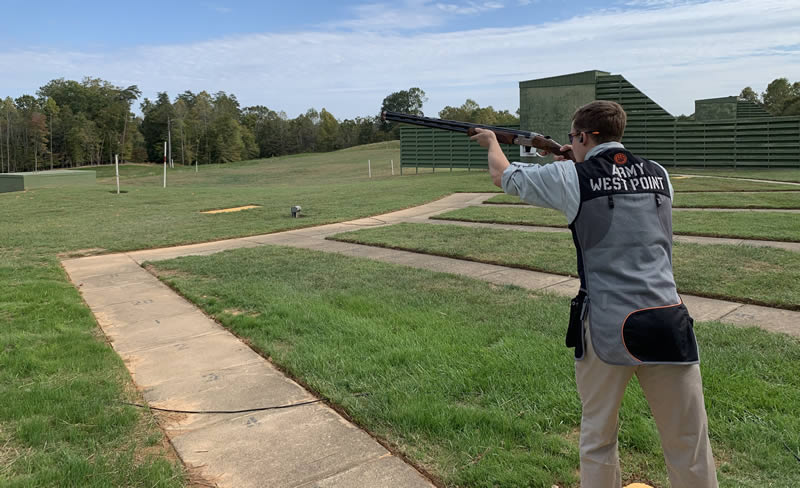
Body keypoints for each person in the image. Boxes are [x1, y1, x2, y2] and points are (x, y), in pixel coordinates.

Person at [470, 100, 718, 488]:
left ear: (583, 136)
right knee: (689, 439)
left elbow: (503, 176)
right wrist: (575, 158)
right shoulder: (660, 174)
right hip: (669, 321)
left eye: (573, 138)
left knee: (598, 438)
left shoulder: (573, 178)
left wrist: (491, 142)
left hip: (606, 325)